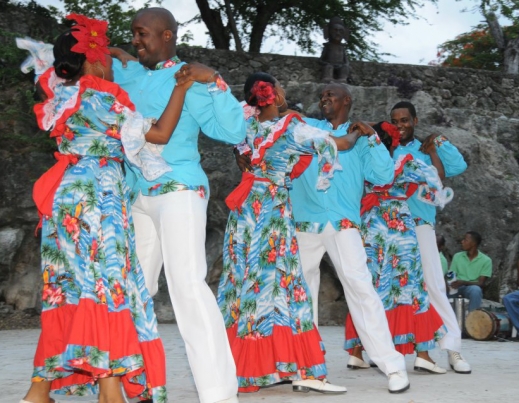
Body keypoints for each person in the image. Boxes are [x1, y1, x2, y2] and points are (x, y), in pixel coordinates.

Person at [20, 13, 193, 403]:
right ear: (95, 59)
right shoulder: (102, 99)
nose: (115, 62)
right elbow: (159, 135)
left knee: (66, 288)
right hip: (97, 197)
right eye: (108, 56)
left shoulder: (59, 95)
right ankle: (110, 389)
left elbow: (56, 68)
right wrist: (180, 88)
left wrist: (107, 55)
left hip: (63, 199)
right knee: (105, 285)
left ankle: (38, 392)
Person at [111, 7, 245, 403]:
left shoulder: (188, 76)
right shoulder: (130, 72)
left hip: (179, 189)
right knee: (133, 289)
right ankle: (136, 385)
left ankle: (219, 394)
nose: (136, 40)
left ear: (166, 35)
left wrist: (217, 82)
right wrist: (116, 53)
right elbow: (97, 64)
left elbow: (233, 131)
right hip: (136, 196)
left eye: (142, 34)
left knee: (187, 285)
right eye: (133, 34)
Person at [219, 73, 369, 394]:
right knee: (287, 286)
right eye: (280, 87)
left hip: (245, 213)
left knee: (249, 286)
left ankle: (248, 369)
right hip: (271, 211)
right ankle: (306, 370)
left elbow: (241, 155)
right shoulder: (290, 128)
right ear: (271, 94)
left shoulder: (246, 125)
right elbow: (337, 144)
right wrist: (355, 132)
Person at [289, 84, 411, 393]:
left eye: (332, 94)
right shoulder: (307, 128)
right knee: (300, 292)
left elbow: (383, 177)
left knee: (361, 288)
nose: (325, 98)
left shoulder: (362, 136)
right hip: (306, 220)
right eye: (322, 95)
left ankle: (393, 366)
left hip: (343, 223)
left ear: (347, 101)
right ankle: (306, 366)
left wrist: (372, 138)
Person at [344, 121, 452, 375]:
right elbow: (436, 180)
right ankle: (423, 355)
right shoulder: (405, 162)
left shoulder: (361, 164)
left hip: (371, 227)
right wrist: (433, 193)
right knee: (410, 286)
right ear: (393, 142)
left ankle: (357, 352)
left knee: (370, 286)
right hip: (398, 229)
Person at [390, 101, 471, 374]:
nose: (400, 125)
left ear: (414, 119)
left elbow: (455, 169)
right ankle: (391, 352)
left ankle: (453, 349)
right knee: (395, 290)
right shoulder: (386, 149)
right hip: (392, 229)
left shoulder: (425, 149)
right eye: (396, 121)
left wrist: (437, 147)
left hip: (421, 225)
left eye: (405, 120)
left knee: (434, 286)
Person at [448, 231, 492, 312]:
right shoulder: (457, 256)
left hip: (471, 287)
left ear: (473, 243)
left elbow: (481, 283)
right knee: (443, 291)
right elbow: (451, 274)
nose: (462, 242)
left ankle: (472, 319)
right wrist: (450, 284)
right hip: (457, 286)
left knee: (476, 290)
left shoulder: (486, 260)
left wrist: (464, 282)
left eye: (465, 240)